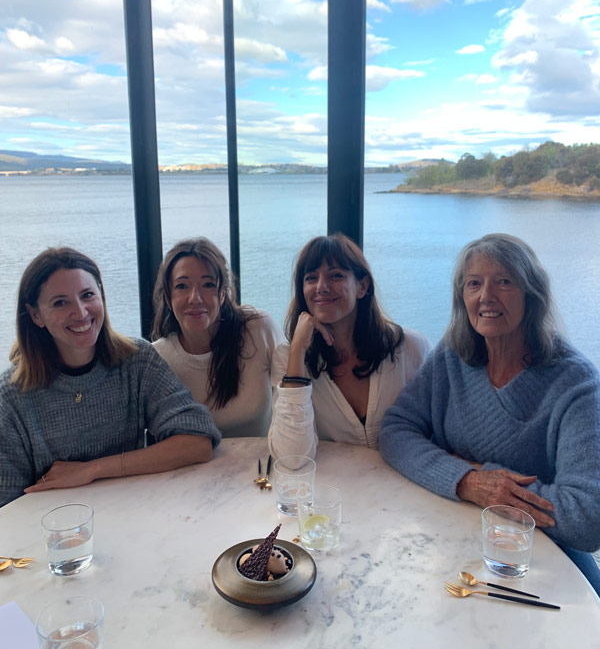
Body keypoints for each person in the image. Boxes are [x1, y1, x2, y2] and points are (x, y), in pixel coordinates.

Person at [380, 233, 600, 593]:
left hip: (537, 560)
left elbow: (588, 518)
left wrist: (495, 484)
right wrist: (466, 480)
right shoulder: (454, 353)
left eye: (504, 282)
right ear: (461, 297)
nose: (486, 296)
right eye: (474, 284)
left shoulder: (575, 381)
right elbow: (395, 431)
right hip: (452, 533)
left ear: (532, 295)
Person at [0, 247, 221, 508]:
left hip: (135, 517)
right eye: (61, 302)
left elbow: (198, 442)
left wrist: (91, 470)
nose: (81, 312)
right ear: (35, 315)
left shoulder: (136, 360)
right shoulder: (10, 398)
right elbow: (6, 507)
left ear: (102, 297)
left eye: (87, 295)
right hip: (54, 536)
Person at [268, 233, 430, 458]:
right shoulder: (288, 357)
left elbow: (433, 434)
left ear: (362, 286)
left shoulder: (410, 348)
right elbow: (292, 458)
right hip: (335, 490)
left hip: (405, 484)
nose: (321, 287)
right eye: (311, 278)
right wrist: (297, 353)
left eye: (335, 275)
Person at [152, 238, 283, 437]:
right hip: (194, 466)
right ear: (168, 298)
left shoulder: (258, 329)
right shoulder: (157, 358)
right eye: (182, 286)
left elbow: (294, 399)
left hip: (263, 464)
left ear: (223, 294)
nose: (195, 298)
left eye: (208, 284)